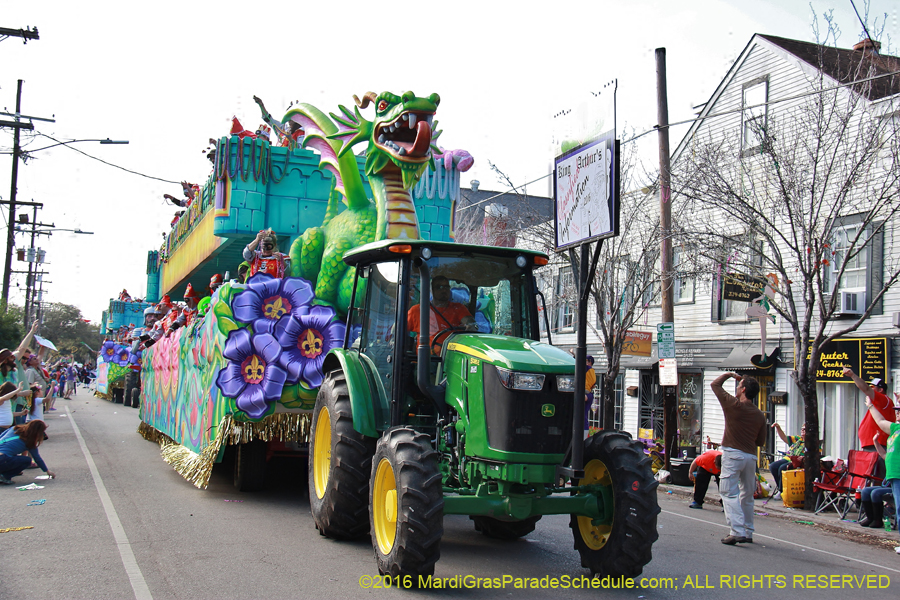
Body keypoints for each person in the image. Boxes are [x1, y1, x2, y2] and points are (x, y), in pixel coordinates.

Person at [711, 372, 767, 545]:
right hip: (750, 457)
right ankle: (748, 531)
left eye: (738, 385)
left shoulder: (733, 405)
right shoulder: (759, 415)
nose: (736, 388)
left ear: (742, 390)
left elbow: (715, 385)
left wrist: (729, 374)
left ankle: (737, 531)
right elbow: (760, 441)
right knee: (747, 495)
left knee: (728, 492)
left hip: (732, 453)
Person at [843, 367, 896, 480]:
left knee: (877, 477)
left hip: (878, 445)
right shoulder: (878, 403)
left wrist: (853, 375)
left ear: (880, 390)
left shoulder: (884, 400)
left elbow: (865, 389)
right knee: (868, 478)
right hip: (872, 445)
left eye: (873, 387)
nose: (869, 390)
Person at [860, 395, 900, 536]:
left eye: (899, 411)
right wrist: (870, 406)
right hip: (893, 477)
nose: (897, 413)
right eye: (897, 410)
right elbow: (885, 456)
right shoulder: (896, 429)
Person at [407, 276, 476, 349]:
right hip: (424, 359)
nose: (444, 290)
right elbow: (399, 328)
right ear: (432, 290)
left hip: (451, 357)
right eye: (439, 287)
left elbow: (468, 320)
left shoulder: (458, 308)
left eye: (446, 287)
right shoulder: (418, 310)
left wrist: (470, 324)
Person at [0, 420, 55, 484]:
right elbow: (37, 458)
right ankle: (4, 476)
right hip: (2, 459)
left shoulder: (14, 428)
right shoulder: (30, 442)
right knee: (27, 460)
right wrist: (47, 471)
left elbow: (1, 436)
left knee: (12, 456)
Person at [769, 422, 806, 494]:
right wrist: (778, 428)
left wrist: (804, 457)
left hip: (798, 462)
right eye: (802, 429)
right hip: (788, 458)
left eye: (805, 429)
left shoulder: (811, 442)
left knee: (782, 468)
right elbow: (784, 438)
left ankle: (781, 491)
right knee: (773, 466)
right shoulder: (797, 439)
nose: (802, 430)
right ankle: (782, 488)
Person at [584, 356, 596, 439]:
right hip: (589, 393)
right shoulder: (592, 371)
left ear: (589, 362)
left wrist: (574, 353)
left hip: (585, 393)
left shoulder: (587, 369)